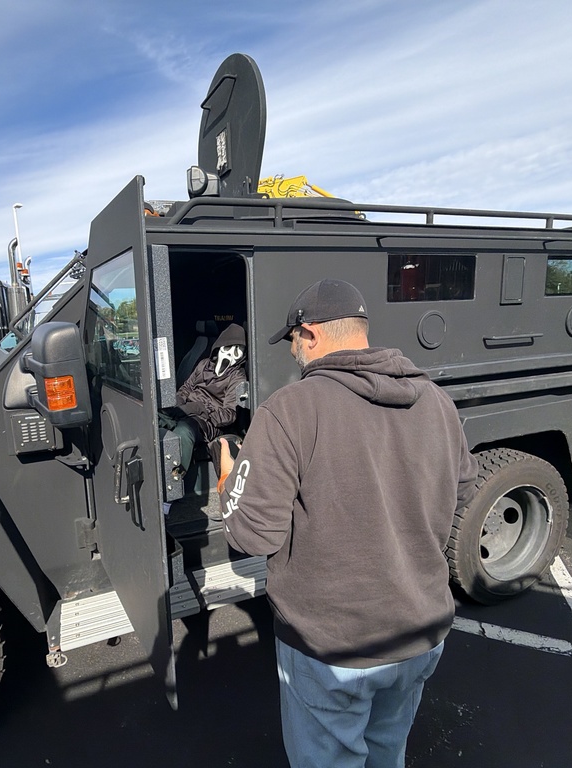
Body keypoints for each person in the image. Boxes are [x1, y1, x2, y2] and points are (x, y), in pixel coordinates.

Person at [217, 279, 478, 768]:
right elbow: (463, 490)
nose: (292, 351)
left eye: (292, 340)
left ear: (311, 333)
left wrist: (229, 484)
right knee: (387, 753)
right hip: (419, 634)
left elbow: (252, 534)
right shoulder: (437, 401)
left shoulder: (289, 410)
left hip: (332, 648)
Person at [159, 323, 247, 479]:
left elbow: (229, 414)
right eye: (228, 348)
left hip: (208, 422)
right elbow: (186, 388)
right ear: (220, 347)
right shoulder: (204, 364)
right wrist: (178, 404)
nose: (231, 355)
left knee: (184, 431)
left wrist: (202, 409)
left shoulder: (237, 377)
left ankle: (174, 479)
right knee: (158, 419)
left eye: (237, 351)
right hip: (188, 409)